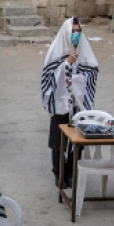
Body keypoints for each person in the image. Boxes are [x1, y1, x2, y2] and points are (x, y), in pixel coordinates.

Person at [41, 17, 99, 189]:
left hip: (78, 103)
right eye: (72, 31)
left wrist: (79, 76)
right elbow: (48, 76)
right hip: (61, 103)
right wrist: (67, 63)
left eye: (78, 31)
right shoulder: (56, 50)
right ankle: (58, 174)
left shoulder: (84, 49)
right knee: (58, 141)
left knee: (78, 140)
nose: (75, 35)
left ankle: (71, 172)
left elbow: (93, 69)